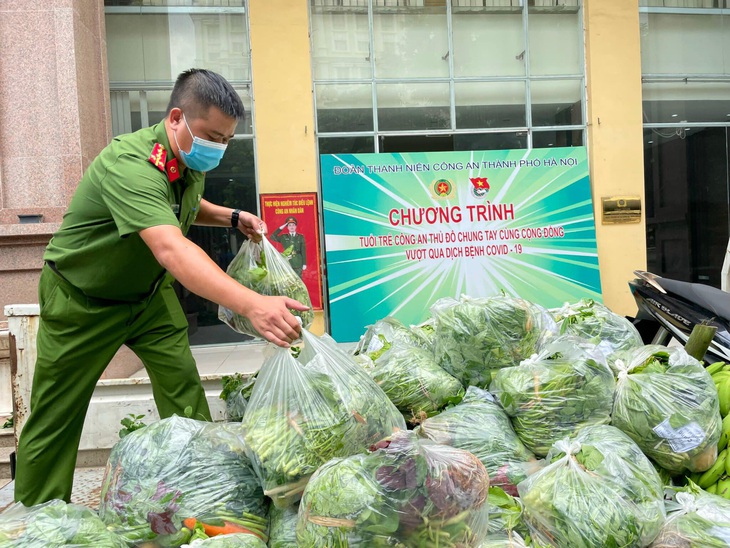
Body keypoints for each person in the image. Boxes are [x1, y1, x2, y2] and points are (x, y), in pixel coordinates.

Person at [14, 69, 310, 506]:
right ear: (176, 118)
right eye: (212, 135)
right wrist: (252, 304)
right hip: (83, 300)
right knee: (57, 414)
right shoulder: (130, 165)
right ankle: (37, 519)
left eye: (227, 140)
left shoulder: (187, 160)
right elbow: (171, 248)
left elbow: (184, 205)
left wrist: (231, 216)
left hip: (148, 297)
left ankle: (207, 491)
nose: (218, 148)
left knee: (183, 388)